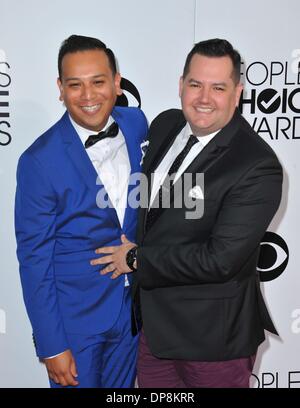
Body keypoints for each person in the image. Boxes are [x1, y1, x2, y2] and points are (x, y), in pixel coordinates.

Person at [91, 38, 283, 388]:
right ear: (181, 85)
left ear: (237, 93)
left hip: (213, 341)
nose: (204, 98)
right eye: (195, 84)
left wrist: (136, 259)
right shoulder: (165, 125)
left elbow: (219, 260)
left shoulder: (257, 165)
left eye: (218, 88)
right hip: (154, 335)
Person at [15, 34, 148, 388]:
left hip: (132, 314)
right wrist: (51, 345)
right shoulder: (38, 161)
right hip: (75, 326)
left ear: (117, 83)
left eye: (98, 82)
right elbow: (33, 259)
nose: (88, 96)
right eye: (75, 85)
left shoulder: (137, 125)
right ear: (60, 88)